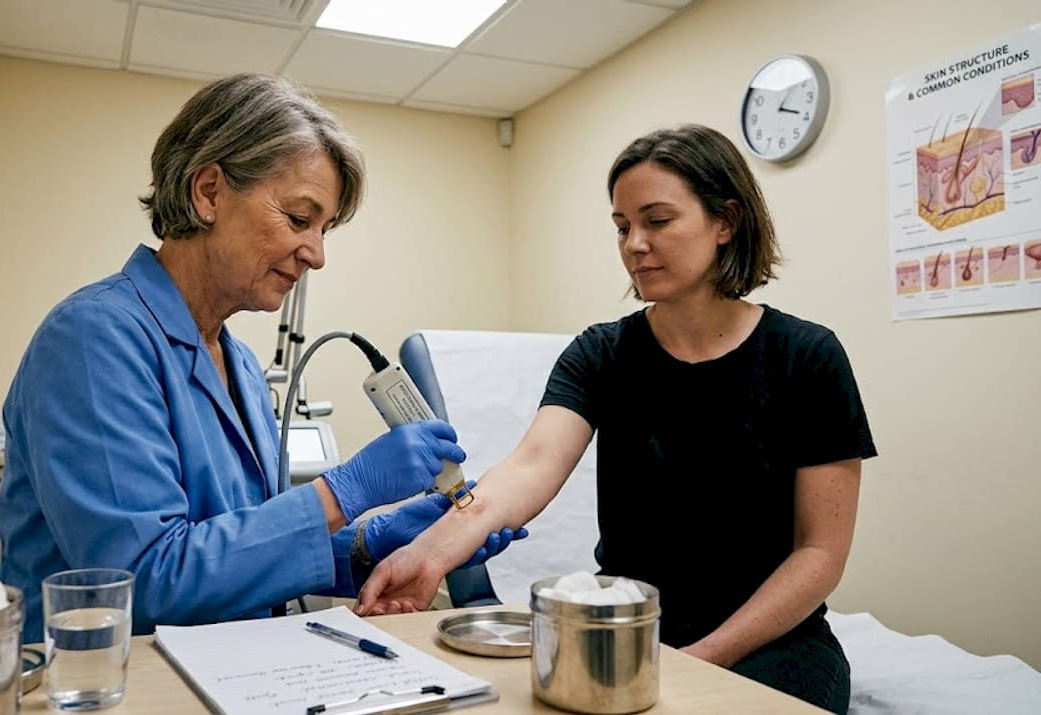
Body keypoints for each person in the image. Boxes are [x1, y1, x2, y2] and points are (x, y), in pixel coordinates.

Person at [355, 124, 876, 714]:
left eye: (658, 221)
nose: (634, 245)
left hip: (774, 642)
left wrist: (699, 658)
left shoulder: (806, 357)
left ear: (725, 221)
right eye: (623, 227)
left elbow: (819, 554)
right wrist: (428, 554)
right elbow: (528, 468)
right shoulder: (601, 354)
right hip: (622, 629)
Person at [0, 73, 523, 640]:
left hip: (228, 663)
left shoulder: (241, 365)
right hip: (105, 674)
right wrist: (345, 490)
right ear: (208, 193)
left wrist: (375, 544)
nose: (316, 255)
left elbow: (241, 552)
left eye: (324, 229)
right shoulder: (92, 338)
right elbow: (145, 581)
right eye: (299, 219)